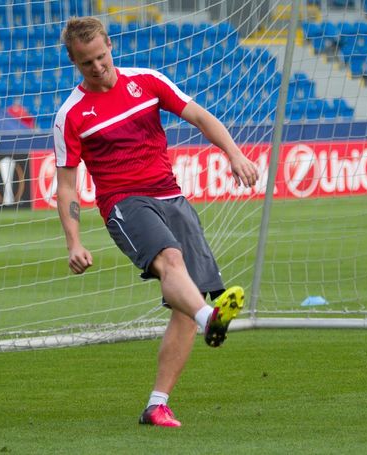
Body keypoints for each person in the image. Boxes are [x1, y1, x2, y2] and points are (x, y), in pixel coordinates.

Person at [53, 17, 260, 427]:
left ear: (110, 46)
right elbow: (67, 186)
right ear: (74, 64)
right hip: (124, 203)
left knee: (186, 300)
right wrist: (73, 242)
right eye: (86, 63)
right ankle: (211, 320)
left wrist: (234, 153)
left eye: (100, 57)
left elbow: (199, 117)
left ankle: (157, 404)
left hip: (172, 197)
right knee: (170, 261)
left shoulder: (146, 81)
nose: (97, 67)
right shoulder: (71, 115)